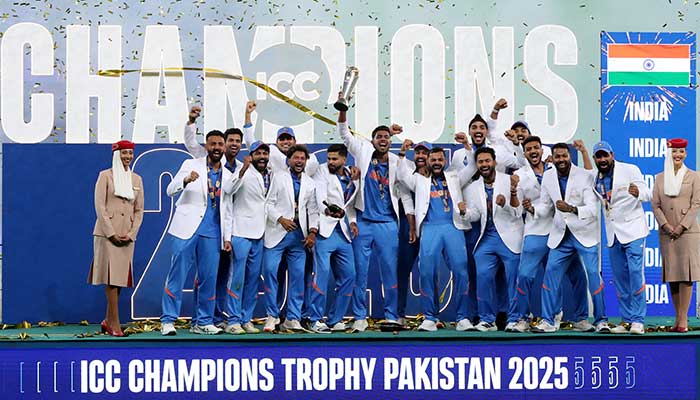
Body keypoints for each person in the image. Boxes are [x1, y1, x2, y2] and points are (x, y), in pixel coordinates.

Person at [335, 92, 413, 331]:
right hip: (363, 221)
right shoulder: (362, 152)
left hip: (388, 223)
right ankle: (360, 316)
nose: (383, 140)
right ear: (371, 140)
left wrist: (410, 224)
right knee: (360, 272)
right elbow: (344, 133)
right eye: (379, 137)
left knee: (389, 272)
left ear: (391, 140)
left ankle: (391, 315)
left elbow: (406, 193)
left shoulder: (398, 161)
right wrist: (343, 107)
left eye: (386, 137)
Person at [183, 101, 255, 327]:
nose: (233, 144)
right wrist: (192, 121)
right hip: (210, 226)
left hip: (233, 228)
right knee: (205, 275)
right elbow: (191, 144)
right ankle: (199, 318)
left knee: (224, 274)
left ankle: (217, 317)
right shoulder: (211, 159)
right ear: (221, 145)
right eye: (229, 141)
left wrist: (247, 116)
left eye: (237, 141)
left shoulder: (246, 165)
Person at [161, 131, 233, 336]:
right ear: (206, 146)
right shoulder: (190, 164)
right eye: (213, 144)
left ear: (225, 147)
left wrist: (227, 237)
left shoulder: (228, 175)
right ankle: (168, 320)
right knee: (177, 275)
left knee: (208, 279)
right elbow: (170, 190)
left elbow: (228, 210)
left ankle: (203, 321)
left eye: (220, 144)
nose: (217, 147)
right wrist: (185, 181)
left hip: (213, 232)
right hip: (186, 229)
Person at [531, 143, 609, 333]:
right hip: (561, 235)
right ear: (553, 158)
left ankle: (600, 321)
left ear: (570, 156)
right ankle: (548, 321)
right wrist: (532, 209)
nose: (561, 160)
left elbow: (592, 209)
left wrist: (572, 209)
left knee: (592, 274)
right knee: (550, 273)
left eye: (564, 156)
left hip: (585, 233)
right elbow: (545, 206)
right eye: (557, 157)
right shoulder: (548, 176)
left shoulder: (584, 176)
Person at [512, 136, 587, 332]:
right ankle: (522, 318)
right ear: (525, 153)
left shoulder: (556, 168)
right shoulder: (519, 175)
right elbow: (516, 209)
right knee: (525, 276)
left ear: (541, 150)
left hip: (561, 230)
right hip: (535, 229)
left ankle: (576, 318)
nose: (533, 151)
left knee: (577, 275)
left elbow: (586, 179)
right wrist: (525, 204)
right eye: (529, 149)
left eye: (536, 147)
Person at [398, 144, 471, 332]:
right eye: (433, 160)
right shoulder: (419, 180)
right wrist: (402, 153)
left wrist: (468, 147)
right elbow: (402, 175)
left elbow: (472, 167)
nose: (437, 163)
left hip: (453, 227)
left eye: (440, 160)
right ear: (428, 161)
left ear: (445, 161)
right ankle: (430, 317)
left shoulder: (454, 177)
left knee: (461, 271)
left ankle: (463, 317)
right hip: (430, 227)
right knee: (426, 272)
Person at [591, 141, 650, 335]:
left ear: (612, 154)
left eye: (605, 155)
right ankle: (626, 320)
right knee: (620, 279)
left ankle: (638, 320)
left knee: (635, 274)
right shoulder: (595, 178)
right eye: (598, 156)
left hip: (633, 230)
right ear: (595, 159)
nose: (602, 159)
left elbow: (648, 193)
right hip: (613, 234)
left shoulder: (630, 169)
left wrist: (638, 192)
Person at [463, 147, 524, 332]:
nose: (484, 165)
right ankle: (487, 319)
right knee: (482, 278)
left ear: (495, 162)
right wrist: (464, 212)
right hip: (486, 238)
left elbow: (518, 212)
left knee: (514, 279)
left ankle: (515, 319)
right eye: (480, 162)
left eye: (487, 161)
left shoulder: (510, 180)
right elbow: (474, 215)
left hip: (510, 237)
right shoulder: (472, 188)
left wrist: (506, 202)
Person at [261, 145, 320, 332]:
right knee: (270, 272)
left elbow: (313, 210)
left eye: (303, 158)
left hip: (299, 237)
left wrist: (312, 232)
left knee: (298, 277)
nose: (299, 161)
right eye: (296, 158)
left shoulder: (310, 183)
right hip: (277, 232)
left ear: (306, 161)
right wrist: (280, 219)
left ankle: (293, 318)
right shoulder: (278, 177)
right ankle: (272, 316)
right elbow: (267, 204)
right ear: (289, 160)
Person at [88, 140, 144, 337]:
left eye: (130, 153)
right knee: (111, 280)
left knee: (119, 280)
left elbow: (139, 210)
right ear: (116, 154)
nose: (128, 156)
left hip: (127, 236)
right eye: (124, 153)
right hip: (107, 234)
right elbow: (100, 206)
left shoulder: (136, 179)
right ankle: (115, 324)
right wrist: (111, 232)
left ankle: (107, 320)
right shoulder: (105, 176)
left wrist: (131, 233)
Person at [222, 140, 272, 334]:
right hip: (240, 232)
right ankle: (233, 320)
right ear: (250, 156)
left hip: (260, 234)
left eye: (264, 153)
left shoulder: (271, 174)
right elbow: (228, 189)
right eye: (258, 153)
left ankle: (246, 318)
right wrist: (242, 170)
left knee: (253, 279)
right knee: (237, 278)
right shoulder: (242, 171)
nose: (262, 157)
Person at [309, 144, 359, 333]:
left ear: (344, 159)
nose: (330, 162)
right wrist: (328, 210)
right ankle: (314, 319)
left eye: (334, 159)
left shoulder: (351, 174)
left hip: (343, 232)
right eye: (329, 158)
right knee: (321, 275)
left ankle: (335, 319)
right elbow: (320, 196)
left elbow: (350, 203)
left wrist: (352, 221)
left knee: (349, 276)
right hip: (324, 231)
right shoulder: (321, 172)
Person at [652, 138, 700, 333]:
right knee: (672, 275)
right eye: (674, 152)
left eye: (681, 152)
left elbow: (696, 203)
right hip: (666, 233)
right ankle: (677, 318)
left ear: (686, 154)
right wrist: (665, 224)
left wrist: (681, 226)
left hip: (687, 232)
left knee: (686, 275)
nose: (677, 155)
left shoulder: (694, 176)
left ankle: (683, 320)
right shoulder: (660, 178)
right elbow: (655, 205)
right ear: (668, 154)